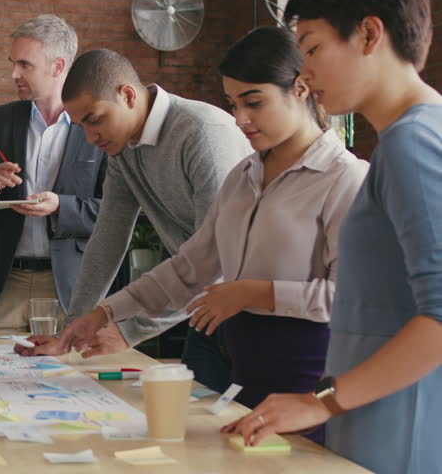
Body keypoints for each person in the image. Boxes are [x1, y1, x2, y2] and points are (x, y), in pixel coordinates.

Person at [43, 29, 370, 443]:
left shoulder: (348, 178)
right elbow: (188, 267)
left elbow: (351, 299)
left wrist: (252, 292)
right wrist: (103, 313)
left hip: (308, 384)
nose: (240, 119)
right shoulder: (244, 176)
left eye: (254, 102)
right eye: (234, 104)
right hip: (244, 374)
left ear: (301, 89)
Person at [227, 0, 442, 472]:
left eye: (312, 47)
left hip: (399, 428)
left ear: (369, 35)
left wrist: (323, 401)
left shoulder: (413, 142)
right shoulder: (410, 137)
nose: (303, 73)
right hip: (380, 414)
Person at [16, 48, 250, 393]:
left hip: (254, 309)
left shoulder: (202, 133)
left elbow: (214, 260)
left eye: (95, 119)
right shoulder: (123, 149)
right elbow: (107, 239)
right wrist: (71, 333)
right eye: (82, 126)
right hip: (205, 311)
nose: (91, 138)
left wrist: (130, 330)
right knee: (197, 425)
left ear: (127, 95)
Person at [0, 15, 107, 333]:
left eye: (25, 65)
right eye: (13, 63)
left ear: (58, 67)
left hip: (71, 290)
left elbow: (115, 211)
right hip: (2, 288)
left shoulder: (99, 126)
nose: (14, 74)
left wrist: (60, 206)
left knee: (71, 382)